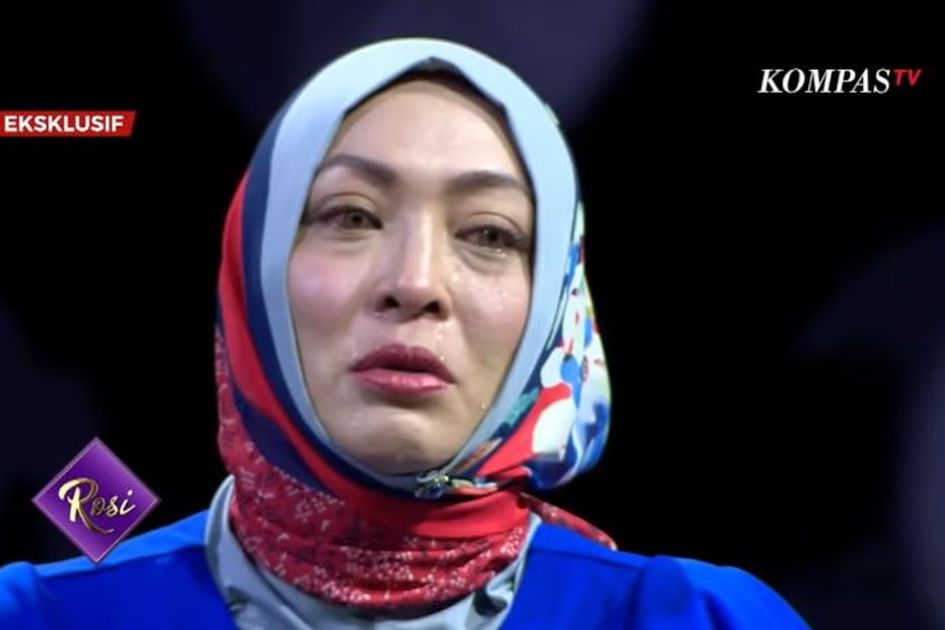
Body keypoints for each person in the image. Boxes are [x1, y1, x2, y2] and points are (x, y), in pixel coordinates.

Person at [0, 38, 809, 629]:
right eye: (350, 216)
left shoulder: (695, 618)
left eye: (489, 233)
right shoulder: (44, 614)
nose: (414, 283)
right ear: (251, 270)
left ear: (556, 303)